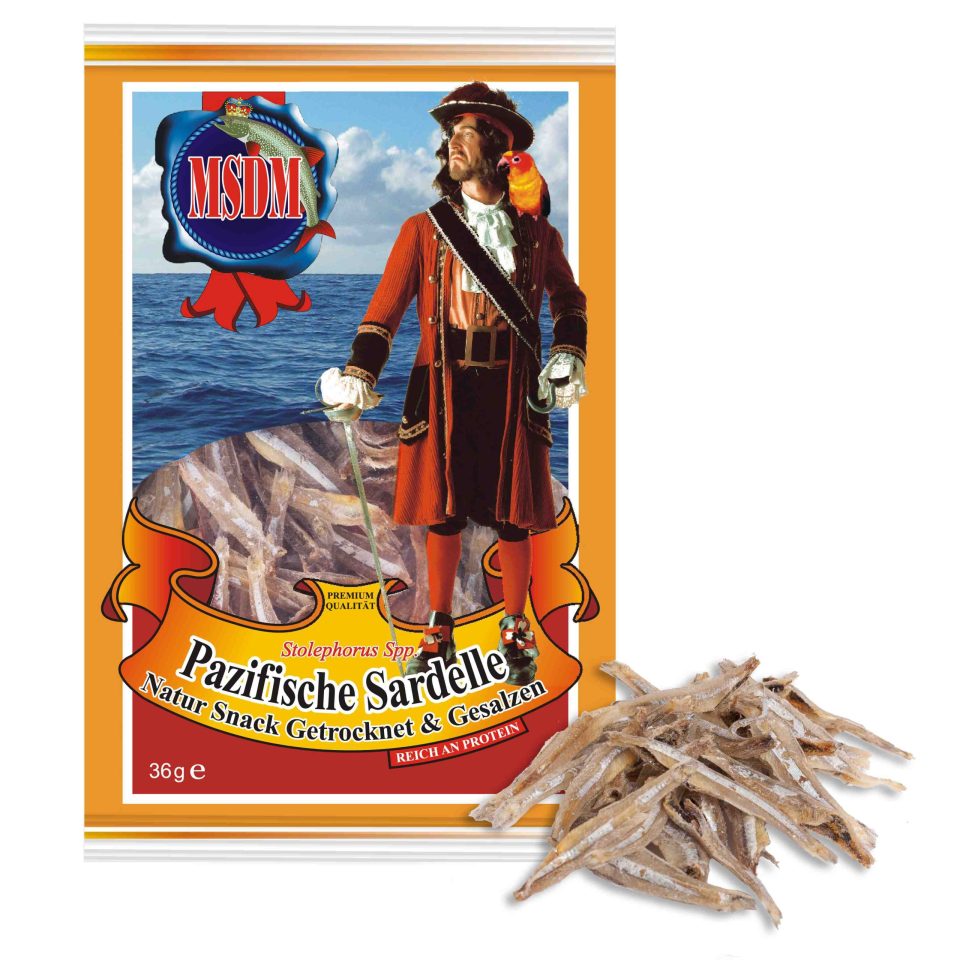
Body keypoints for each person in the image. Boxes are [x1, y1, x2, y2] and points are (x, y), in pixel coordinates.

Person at [320, 82, 587, 685]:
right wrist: (359, 373)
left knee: (514, 517)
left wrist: (570, 353)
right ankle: (438, 626)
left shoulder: (538, 235)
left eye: (465, 134)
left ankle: (515, 629)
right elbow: (385, 309)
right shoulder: (423, 228)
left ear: (498, 146)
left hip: (511, 387)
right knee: (443, 514)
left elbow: (570, 299)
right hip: (442, 387)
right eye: (450, 136)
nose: (451, 146)